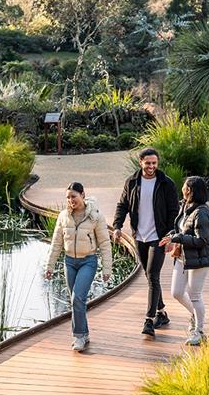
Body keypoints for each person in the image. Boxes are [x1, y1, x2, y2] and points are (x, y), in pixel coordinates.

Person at [113, 147, 179, 339]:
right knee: (150, 276)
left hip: (159, 237)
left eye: (154, 163)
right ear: (140, 162)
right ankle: (162, 312)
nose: (151, 166)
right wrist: (117, 226)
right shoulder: (132, 182)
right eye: (148, 163)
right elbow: (122, 205)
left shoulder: (166, 183)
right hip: (139, 236)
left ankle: (149, 320)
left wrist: (171, 235)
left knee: (153, 275)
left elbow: (174, 211)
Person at [46, 182, 112, 352]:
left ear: (83, 195)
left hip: (88, 261)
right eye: (68, 197)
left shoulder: (95, 216)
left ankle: (79, 336)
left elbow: (105, 243)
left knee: (77, 297)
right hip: (69, 262)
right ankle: (85, 333)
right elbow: (56, 243)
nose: (70, 200)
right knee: (76, 301)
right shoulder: (63, 216)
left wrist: (107, 269)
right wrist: (50, 266)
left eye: (73, 196)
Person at [159, 176, 209, 346]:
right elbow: (181, 229)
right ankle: (196, 315)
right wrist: (171, 236)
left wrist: (177, 238)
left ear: (190, 190)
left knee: (195, 295)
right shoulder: (186, 206)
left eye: (184, 187)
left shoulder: (202, 213)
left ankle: (199, 332)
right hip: (182, 258)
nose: (182, 189)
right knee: (176, 292)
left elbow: (202, 240)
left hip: (198, 259)